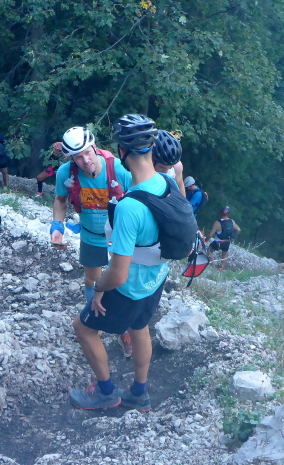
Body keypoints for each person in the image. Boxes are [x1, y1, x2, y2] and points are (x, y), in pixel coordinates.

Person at [68, 114, 165, 413]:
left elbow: (118, 274)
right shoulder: (164, 183)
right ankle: (139, 393)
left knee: (83, 328)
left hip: (130, 287)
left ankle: (106, 392)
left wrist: (98, 288)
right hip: (155, 279)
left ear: (121, 151)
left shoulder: (129, 206)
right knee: (139, 327)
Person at [51, 126, 133, 357]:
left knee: (121, 282)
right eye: (78, 157)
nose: (85, 160)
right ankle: (93, 322)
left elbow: (139, 199)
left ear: (95, 147)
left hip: (120, 238)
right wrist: (57, 227)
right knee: (92, 279)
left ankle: (123, 330)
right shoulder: (66, 173)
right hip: (90, 235)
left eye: (87, 153)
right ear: (71, 158)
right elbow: (60, 200)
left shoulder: (119, 169)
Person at [152, 130, 186, 197]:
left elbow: (181, 195)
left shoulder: (177, 167)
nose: (166, 171)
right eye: (161, 167)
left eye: (170, 167)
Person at [207, 206, 241, 271]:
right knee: (224, 254)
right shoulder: (231, 221)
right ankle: (221, 268)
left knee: (209, 250)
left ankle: (213, 266)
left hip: (218, 242)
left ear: (220, 213)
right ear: (228, 213)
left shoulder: (217, 223)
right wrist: (233, 238)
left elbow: (211, 234)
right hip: (227, 242)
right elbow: (238, 230)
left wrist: (206, 239)